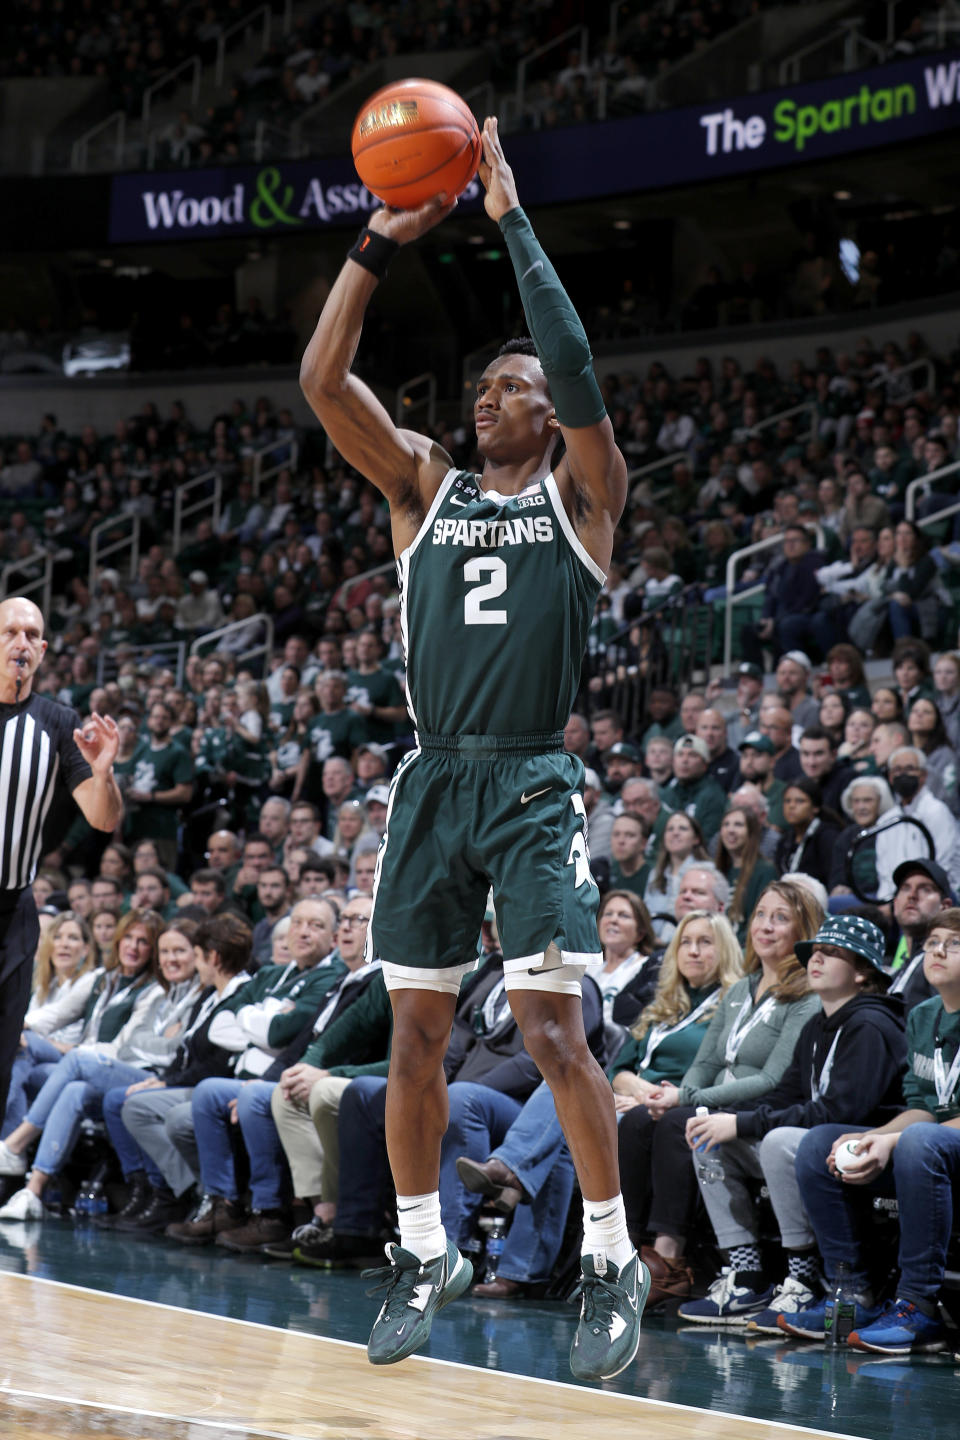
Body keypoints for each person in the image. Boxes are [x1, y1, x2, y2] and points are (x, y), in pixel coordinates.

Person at [298, 115, 644, 1378]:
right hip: (433, 774)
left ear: (550, 420)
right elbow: (323, 385)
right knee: (414, 1037)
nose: (489, 395)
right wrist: (377, 243)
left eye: (514, 388)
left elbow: (583, 376)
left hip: (530, 776)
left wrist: (509, 220)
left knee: (555, 1030)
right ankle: (418, 1245)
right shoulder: (422, 489)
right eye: (483, 385)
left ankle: (609, 1260)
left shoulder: (583, 498)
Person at [678, 912, 906, 1328]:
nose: (815, 960)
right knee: (710, 1135)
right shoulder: (818, 1025)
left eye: (831, 953)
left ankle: (801, 1278)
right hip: (817, 1143)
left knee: (778, 1140)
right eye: (814, 952)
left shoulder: (871, 1025)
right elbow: (786, 1094)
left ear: (862, 972)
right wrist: (731, 1120)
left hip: (864, 1149)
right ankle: (745, 1274)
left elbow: (841, 1112)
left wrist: (745, 1125)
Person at [621, 881, 821, 1307]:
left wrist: (686, 1098)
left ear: (804, 930)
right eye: (761, 915)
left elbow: (774, 1078)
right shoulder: (739, 990)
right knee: (640, 1120)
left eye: (781, 918)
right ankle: (627, 1251)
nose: (766, 926)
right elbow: (706, 1061)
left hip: (761, 1110)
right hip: (715, 1099)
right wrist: (686, 1092)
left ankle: (669, 1258)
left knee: (682, 1121)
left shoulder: (806, 997)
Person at [781, 907, 960, 1353]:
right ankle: (852, 1292)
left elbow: (926, 1131)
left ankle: (919, 1303)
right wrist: (877, 1137)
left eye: (953, 944)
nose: (937, 950)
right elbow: (923, 1107)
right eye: (933, 941)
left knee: (918, 1142)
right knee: (820, 1142)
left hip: (935, 1146)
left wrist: (897, 1140)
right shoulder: (923, 1016)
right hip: (934, 1143)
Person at [0, 597, 124, 1126]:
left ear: (43, 651)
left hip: (13, 912)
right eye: (10, 632)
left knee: (2, 1056)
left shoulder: (57, 722)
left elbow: (103, 820)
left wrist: (103, 773)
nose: (21, 643)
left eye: (31, 635)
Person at [714, 806, 778, 945]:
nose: (730, 830)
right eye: (726, 824)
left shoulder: (765, 871)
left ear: (751, 832)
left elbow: (760, 922)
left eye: (738, 825)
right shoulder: (718, 871)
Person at [775, 778, 843, 888]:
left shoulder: (828, 836)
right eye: (787, 801)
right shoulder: (784, 840)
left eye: (800, 801)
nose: (791, 806)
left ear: (815, 807)